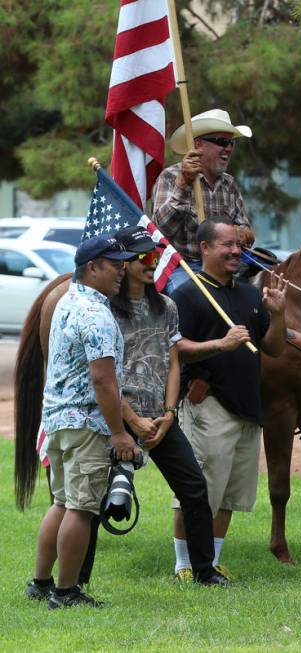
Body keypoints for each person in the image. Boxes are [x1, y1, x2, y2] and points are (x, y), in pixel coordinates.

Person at [26, 235, 140, 609]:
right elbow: (103, 380)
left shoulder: (67, 301)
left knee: (60, 502)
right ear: (92, 267)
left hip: (57, 420)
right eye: (115, 264)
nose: (122, 271)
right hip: (86, 424)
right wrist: (120, 433)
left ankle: (40, 584)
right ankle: (65, 592)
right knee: (81, 508)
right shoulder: (96, 314)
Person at [109, 226, 228, 585]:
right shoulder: (107, 309)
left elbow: (173, 360)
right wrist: (132, 420)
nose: (152, 263)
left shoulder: (167, 306)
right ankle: (72, 583)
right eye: (144, 257)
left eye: (156, 257)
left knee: (194, 487)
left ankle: (205, 571)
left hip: (162, 417)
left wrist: (169, 412)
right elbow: (104, 373)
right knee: (96, 500)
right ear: (125, 263)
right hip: (117, 417)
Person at [171, 217, 287, 576]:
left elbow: (273, 348)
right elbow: (175, 348)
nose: (237, 251)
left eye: (239, 245)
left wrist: (278, 315)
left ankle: (213, 562)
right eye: (228, 245)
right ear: (205, 248)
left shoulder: (250, 295)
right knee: (199, 491)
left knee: (230, 495)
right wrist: (220, 344)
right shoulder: (188, 294)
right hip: (208, 406)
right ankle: (185, 565)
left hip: (247, 408)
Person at [152, 109, 253, 294]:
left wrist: (243, 233)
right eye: (222, 142)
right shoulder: (170, 177)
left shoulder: (229, 184)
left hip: (225, 267)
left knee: (255, 298)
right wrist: (183, 184)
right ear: (198, 145)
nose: (229, 148)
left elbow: (245, 231)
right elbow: (161, 231)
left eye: (232, 143)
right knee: (185, 297)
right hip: (183, 266)